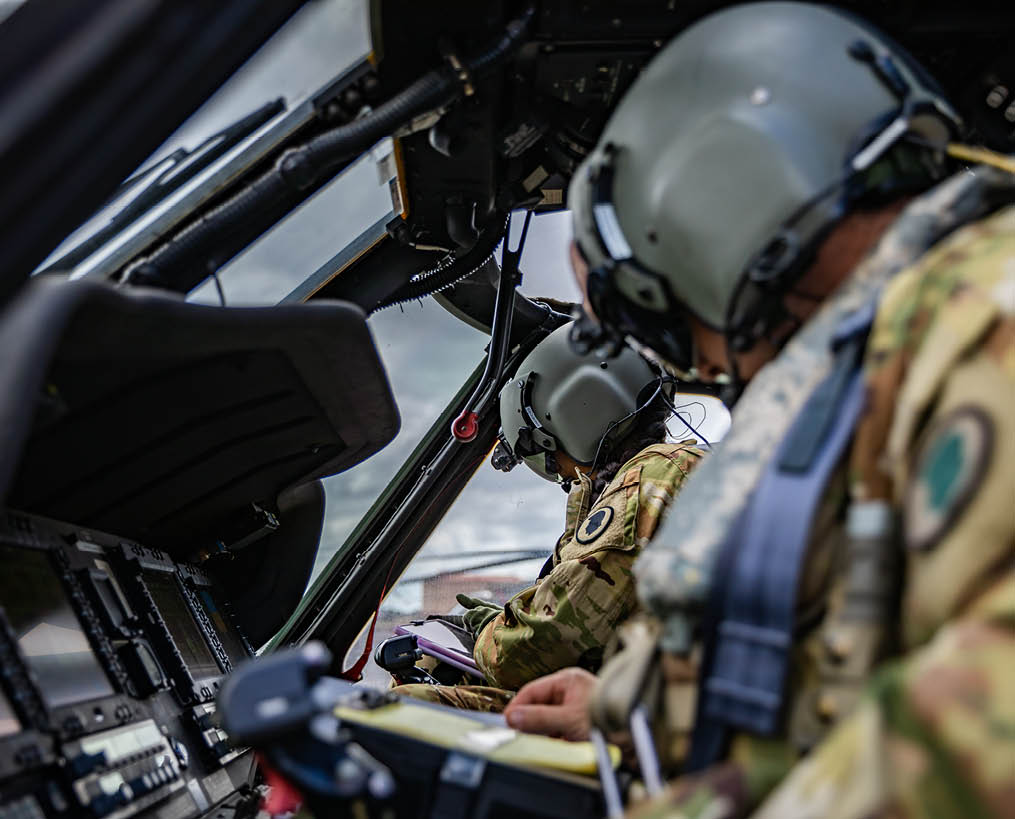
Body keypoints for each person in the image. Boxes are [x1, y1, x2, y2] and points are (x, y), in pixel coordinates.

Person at [503, 4, 1014, 816]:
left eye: (683, 323)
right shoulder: (899, 350)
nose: (704, 364)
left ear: (723, 208)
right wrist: (628, 712)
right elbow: (840, 667)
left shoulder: (988, 318)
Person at [393, 322, 704, 711]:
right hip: (657, 702)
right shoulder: (674, 473)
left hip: (657, 717)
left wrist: (485, 630)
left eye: (545, 450)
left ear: (571, 414)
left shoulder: (652, 477)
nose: (559, 474)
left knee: (410, 705)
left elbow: (538, 646)